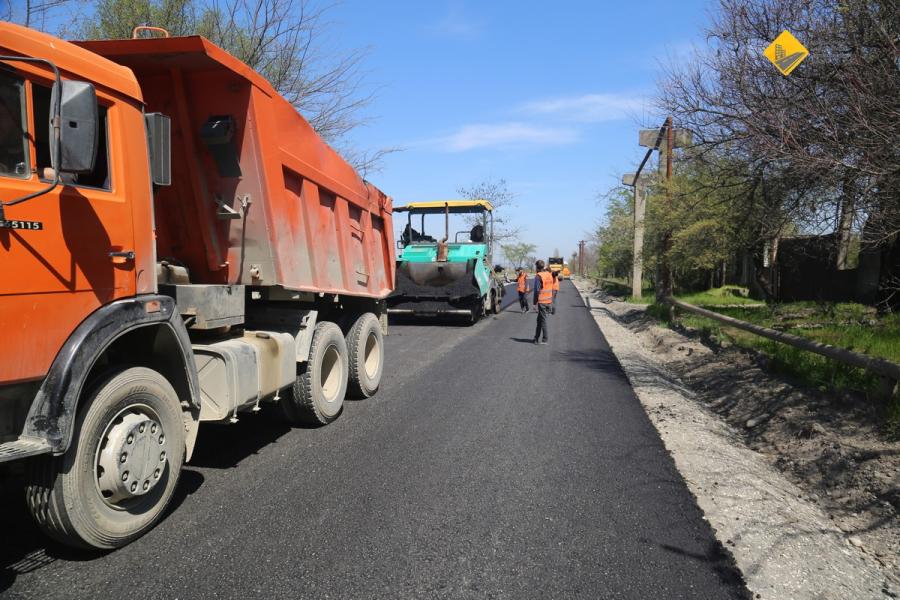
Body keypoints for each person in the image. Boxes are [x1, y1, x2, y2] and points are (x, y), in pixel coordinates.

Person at [532, 260, 553, 344]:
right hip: (549, 300)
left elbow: (537, 291)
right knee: (539, 320)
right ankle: (536, 338)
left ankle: (545, 339)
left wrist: (534, 303)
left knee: (543, 320)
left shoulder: (538, 276)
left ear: (537, 267)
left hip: (542, 301)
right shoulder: (548, 274)